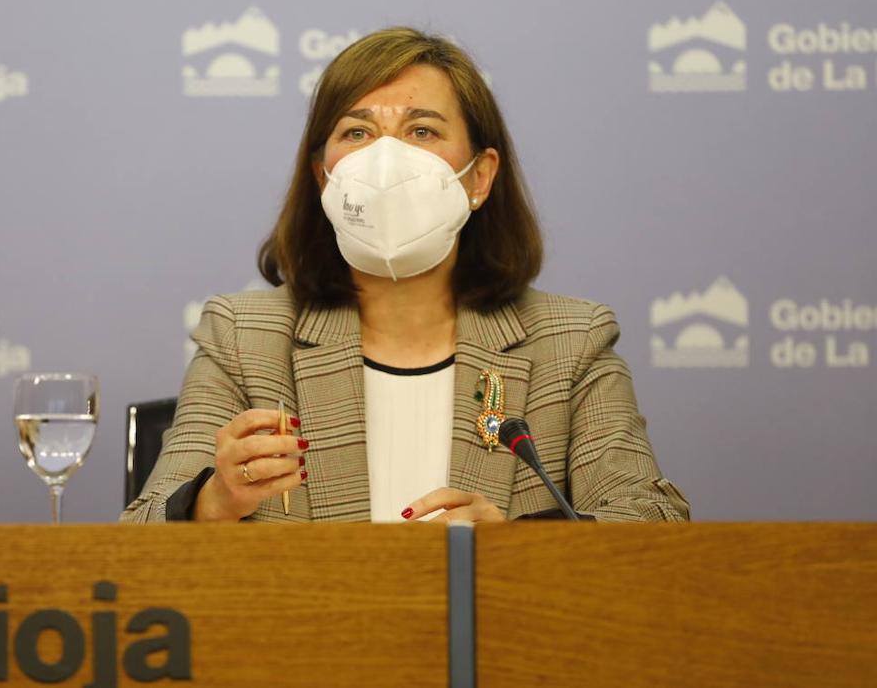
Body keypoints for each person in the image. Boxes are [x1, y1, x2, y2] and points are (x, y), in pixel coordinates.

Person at [121, 27, 689, 524]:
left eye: (421, 131)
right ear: (325, 179)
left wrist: (516, 548)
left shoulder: (569, 340)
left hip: (497, 644)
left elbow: (654, 525)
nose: (386, 162)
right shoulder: (245, 336)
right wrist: (216, 500)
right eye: (357, 133)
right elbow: (140, 534)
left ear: (479, 178)